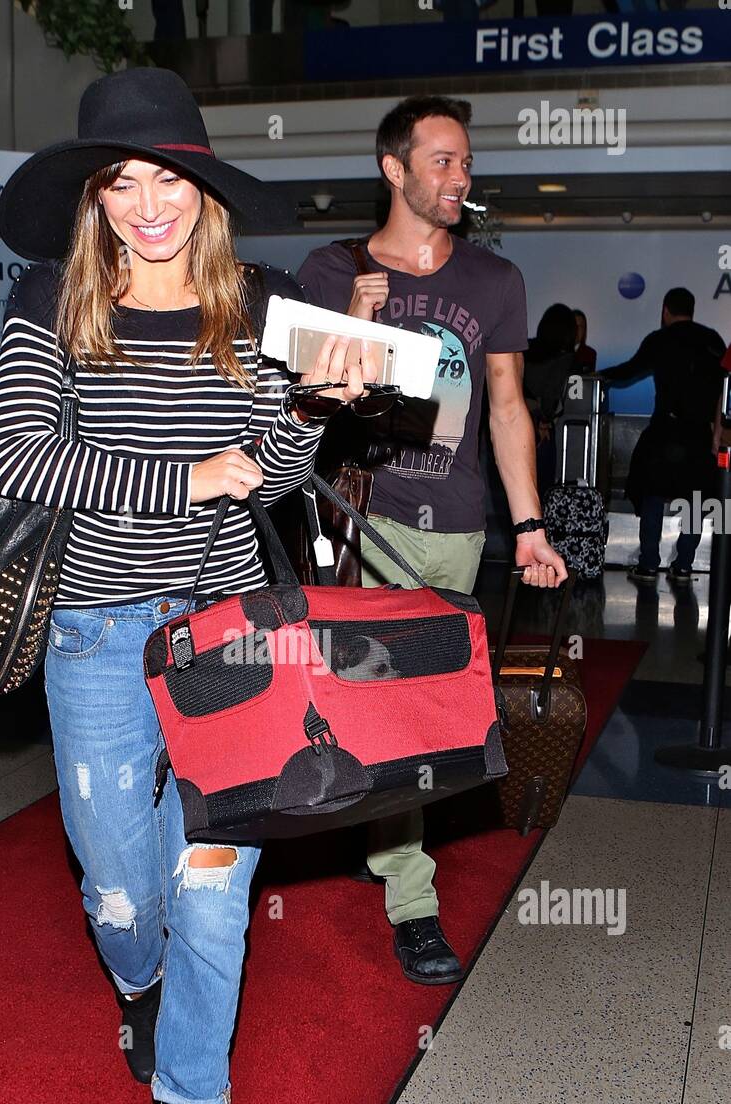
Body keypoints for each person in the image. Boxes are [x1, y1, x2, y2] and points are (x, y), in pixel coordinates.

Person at [0, 67, 374, 1104]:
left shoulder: (255, 306)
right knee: (122, 896)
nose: (148, 204)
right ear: (94, 194)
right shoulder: (50, 295)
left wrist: (314, 410)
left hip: (228, 636)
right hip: (96, 633)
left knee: (211, 890)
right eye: (122, 182)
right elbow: (20, 455)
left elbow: (266, 472)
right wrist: (185, 478)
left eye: (169, 179)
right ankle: (141, 987)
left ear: (201, 189)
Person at [296, 95, 567, 989]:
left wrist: (530, 525)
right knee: (365, 701)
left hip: (450, 530)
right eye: (443, 161)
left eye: (464, 162)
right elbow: (292, 403)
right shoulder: (330, 267)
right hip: (354, 522)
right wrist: (350, 323)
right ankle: (410, 894)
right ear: (394, 169)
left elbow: (505, 407)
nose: (461, 177)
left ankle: (395, 870)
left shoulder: (493, 280)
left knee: (422, 711)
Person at [600, 287, 726, 582]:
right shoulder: (712, 341)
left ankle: (648, 563)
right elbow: (724, 385)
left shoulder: (659, 340)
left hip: (665, 431)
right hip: (699, 434)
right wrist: (716, 434)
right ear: (692, 310)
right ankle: (683, 564)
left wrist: (598, 375)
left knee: (651, 493)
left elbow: (629, 369)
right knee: (696, 499)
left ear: (665, 311)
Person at [523, 303, 578, 502]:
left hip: (518, 421)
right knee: (543, 491)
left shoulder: (525, 349)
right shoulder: (565, 358)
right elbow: (552, 393)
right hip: (541, 426)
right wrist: (545, 419)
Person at [573, 309, 597, 376]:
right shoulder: (557, 353)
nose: (577, 330)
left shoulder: (590, 354)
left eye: (580, 326)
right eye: (574, 325)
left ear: (584, 330)